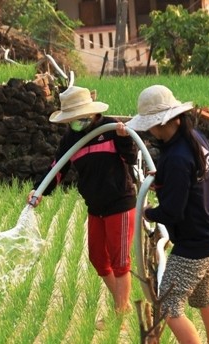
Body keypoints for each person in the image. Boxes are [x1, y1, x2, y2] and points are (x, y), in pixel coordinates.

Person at [126, 84, 209, 344]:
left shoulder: (176, 158)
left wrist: (147, 212)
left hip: (195, 241)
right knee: (203, 291)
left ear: (161, 123)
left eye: (150, 127)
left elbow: (171, 212)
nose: (149, 133)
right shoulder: (195, 139)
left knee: (169, 305)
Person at [28, 85, 137, 330]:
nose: (76, 123)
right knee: (98, 258)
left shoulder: (111, 129)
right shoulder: (70, 138)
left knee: (120, 262)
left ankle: (120, 313)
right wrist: (40, 190)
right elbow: (58, 168)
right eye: (72, 120)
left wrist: (124, 139)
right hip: (95, 205)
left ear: (91, 113)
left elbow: (130, 159)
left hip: (119, 203)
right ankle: (123, 304)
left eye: (79, 118)